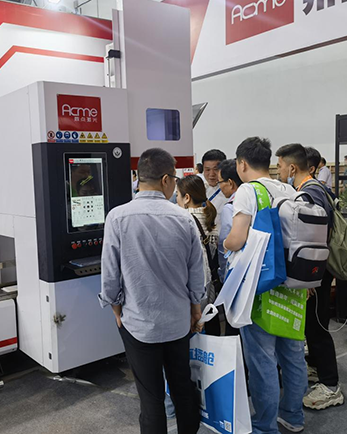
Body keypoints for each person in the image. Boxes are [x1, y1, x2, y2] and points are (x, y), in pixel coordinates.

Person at [99, 148, 204, 434]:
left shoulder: (117, 217)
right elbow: (197, 273)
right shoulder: (184, 219)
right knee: (182, 388)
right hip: (178, 323)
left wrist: (116, 309)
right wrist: (195, 309)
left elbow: (110, 275)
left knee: (151, 399)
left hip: (138, 324)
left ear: (139, 177)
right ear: (166, 180)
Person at [224, 137, 307, 434]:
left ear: (241, 163)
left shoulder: (248, 191)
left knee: (262, 361)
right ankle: (293, 416)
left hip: (261, 287)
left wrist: (224, 243)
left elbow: (237, 238)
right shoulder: (289, 189)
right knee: (293, 356)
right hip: (293, 286)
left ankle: (264, 426)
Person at [276, 144, 344, 411]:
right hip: (319, 271)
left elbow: (313, 239)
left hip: (315, 274)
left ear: (292, 167)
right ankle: (317, 369)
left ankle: (331, 387)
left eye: (280, 165)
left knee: (317, 330)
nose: (279, 170)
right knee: (314, 326)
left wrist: (308, 281)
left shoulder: (309, 194)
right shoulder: (318, 188)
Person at [176, 175, 220, 335]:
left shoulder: (183, 220)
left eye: (177, 194)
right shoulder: (211, 217)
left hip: (193, 290)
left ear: (186, 198)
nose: (176, 199)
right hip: (210, 289)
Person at [217, 158, 242, 281]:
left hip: (235, 269)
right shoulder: (251, 198)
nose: (220, 187)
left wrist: (223, 274)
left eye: (220, 182)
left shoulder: (230, 207)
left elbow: (224, 242)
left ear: (230, 183)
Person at [201, 149, 229, 225]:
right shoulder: (199, 189)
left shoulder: (229, 191)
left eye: (215, 169)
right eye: (207, 170)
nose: (211, 174)